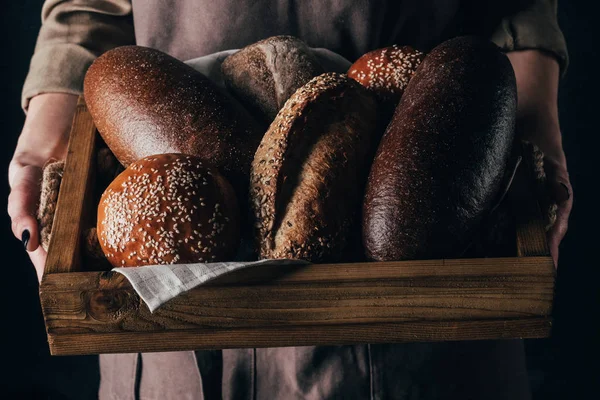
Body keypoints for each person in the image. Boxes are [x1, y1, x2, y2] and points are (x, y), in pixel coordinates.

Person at [8, 0, 572, 399]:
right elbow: (87, 10)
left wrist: (532, 114)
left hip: (428, 307)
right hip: (171, 315)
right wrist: (45, 142)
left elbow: (515, 9)